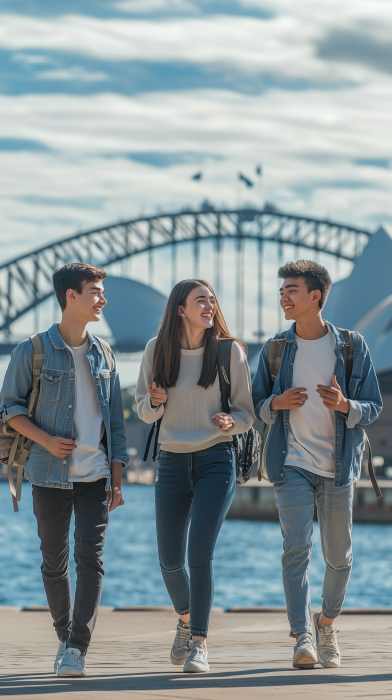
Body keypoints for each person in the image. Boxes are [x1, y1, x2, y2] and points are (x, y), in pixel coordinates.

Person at [252, 260, 382, 670]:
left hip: (339, 465)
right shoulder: (275, 347)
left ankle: (325, 622)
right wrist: (276, 402)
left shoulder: (350, 345)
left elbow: (374, 406)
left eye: (292, 290)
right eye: (282, 290)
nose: (284, 297)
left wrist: (346, 406)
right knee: (296, 549)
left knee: (339, 556)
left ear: (316, 296)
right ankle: (302, 637)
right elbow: (255, 403)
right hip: (291, 463)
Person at [0, 263, 128, 678]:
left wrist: (118, 479)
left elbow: (118, 426)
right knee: (53, 562)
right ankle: (64, 635)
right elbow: (9, 409)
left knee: (90, 560)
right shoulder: (32, 350)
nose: (102, 299)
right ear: (71, 296)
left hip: (95, 477)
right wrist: (47, 440)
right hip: (48, 474)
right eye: (95, 291)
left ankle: (76, 647)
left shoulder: (105, 353)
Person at [136, 279, 254, 673]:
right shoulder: (157, 350)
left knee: (199, 555)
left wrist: (229, 420)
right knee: (169, 561)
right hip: (170, 462)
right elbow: (142, 410)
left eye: (212, 300)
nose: (209, 305)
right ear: (181, 309)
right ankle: (186, 620)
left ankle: (199, 643)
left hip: (215, 460)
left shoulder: (227, 351)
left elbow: (246, 414)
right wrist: (153, 402)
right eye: (200, 300)